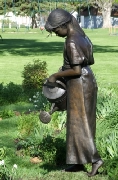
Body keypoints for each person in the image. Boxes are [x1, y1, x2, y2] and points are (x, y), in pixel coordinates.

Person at [44, 8, 103, 176]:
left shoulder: (71, 41)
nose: (55, 33)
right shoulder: (81, 36)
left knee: (81, 124)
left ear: (63, 25)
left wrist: (56, 75)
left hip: (80, 84)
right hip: (85, 82)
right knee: (76, 124)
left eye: (55, 30)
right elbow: (88, 61)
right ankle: (77, 162)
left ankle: (95, 159)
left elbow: (76, 70)